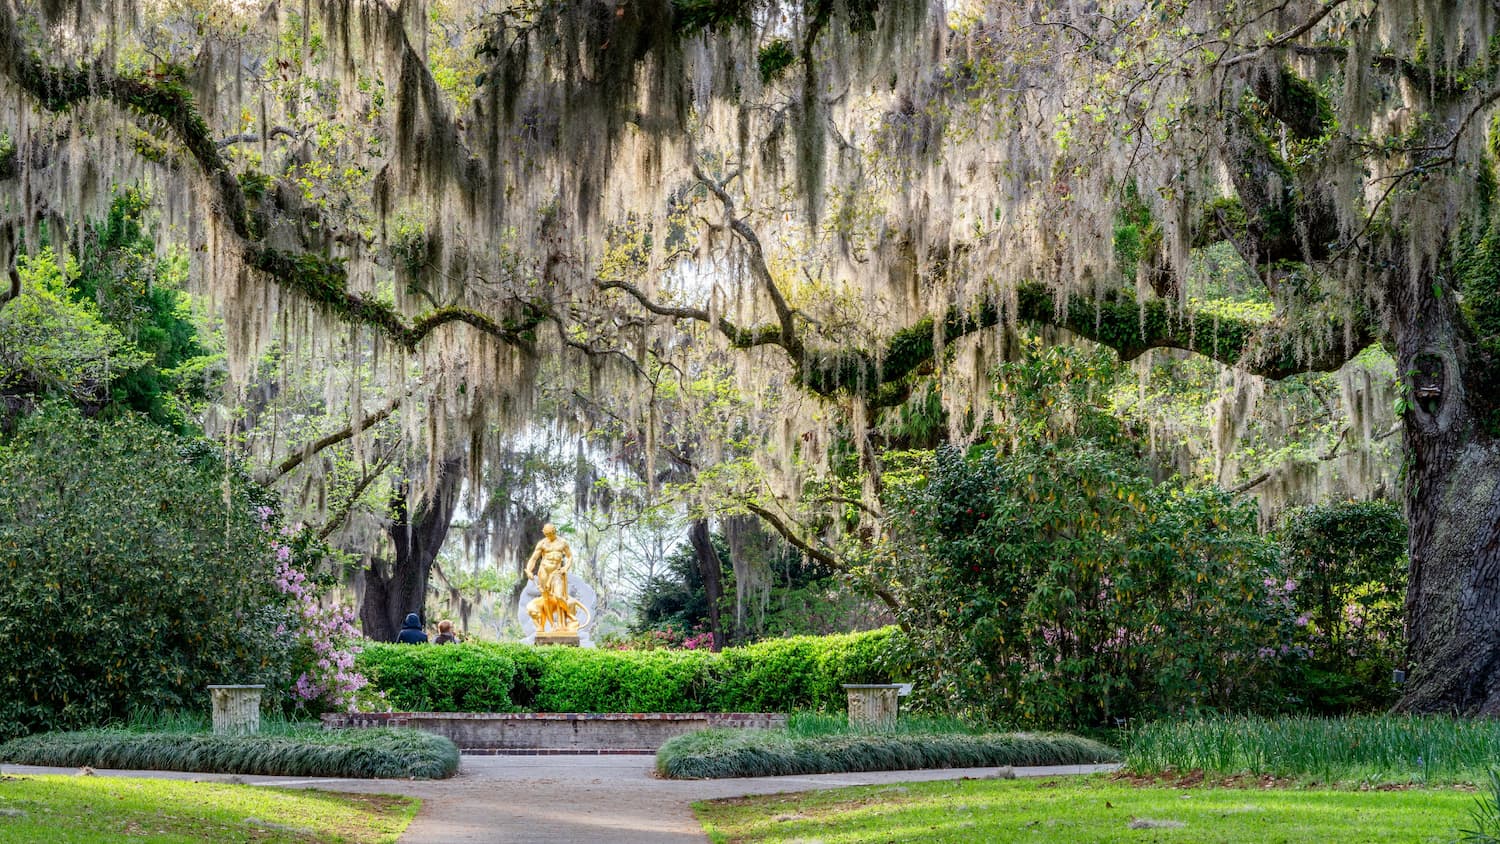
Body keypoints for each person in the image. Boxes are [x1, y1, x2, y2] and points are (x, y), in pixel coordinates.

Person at [524, 523, 577, 632]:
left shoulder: (562, 542)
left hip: (556, 572)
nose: (549, 535)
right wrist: (529, 570)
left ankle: (570, 617)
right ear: (544, 533)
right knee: (546, 599)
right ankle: (553, 625)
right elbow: (534, 558)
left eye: (551, 533)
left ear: (555, 531)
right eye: (547, 534)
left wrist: (566, 567)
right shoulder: (542, 543)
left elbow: (570, 556)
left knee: (558, 596)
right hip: (544, 571)